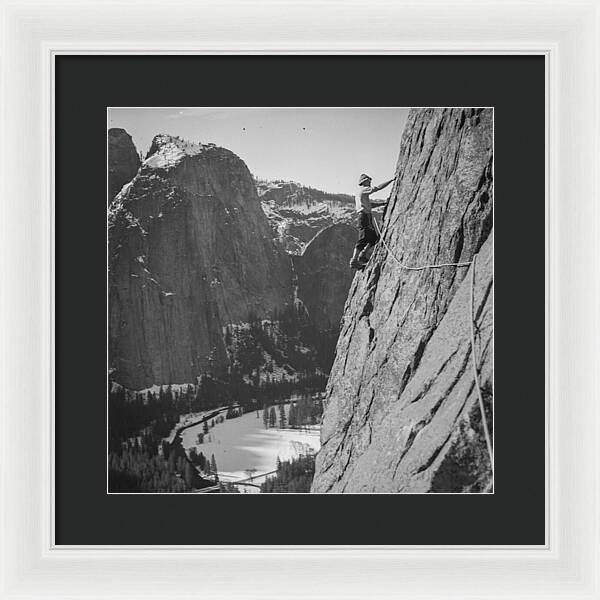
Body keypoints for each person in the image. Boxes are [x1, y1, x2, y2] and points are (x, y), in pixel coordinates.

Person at [349, 173, 396, 269]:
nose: (370, 182)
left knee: (374, 238)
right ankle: (354, 260)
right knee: (363, 239)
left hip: (365, 217)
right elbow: (377, 188)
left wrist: (383, 203)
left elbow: (370, 205)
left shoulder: (360, 193)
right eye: (369, 180)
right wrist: (391, 181)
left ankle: (363, 255)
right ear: (364, 181)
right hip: (364, 217)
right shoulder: (364, 189)